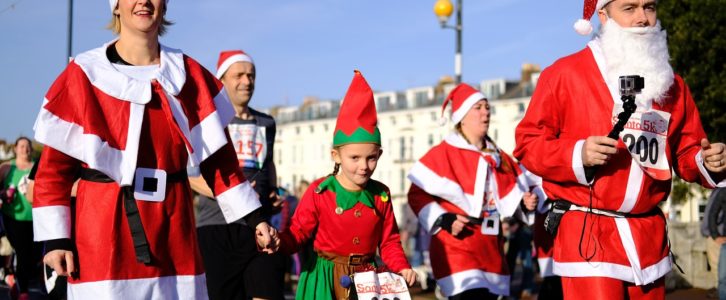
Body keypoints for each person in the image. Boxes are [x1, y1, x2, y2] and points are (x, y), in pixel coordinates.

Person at [32, 1, 277, 299]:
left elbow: (220, 163)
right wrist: (56, 239)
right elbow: (53, 171)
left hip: (174, 233)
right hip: (103, 235)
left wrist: (256, 219)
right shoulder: (84, 74)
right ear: (116, 6)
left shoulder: (188, 74)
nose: (144, 1)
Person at [513, 0, 726, 299]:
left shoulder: (672, 85)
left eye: (649, 7)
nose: (642, 18)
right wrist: (577, 154)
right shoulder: (565, 73)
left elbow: (685, 152)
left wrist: (708, 161)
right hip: (589, 234)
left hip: (648, 238)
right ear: (603, 15)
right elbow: (527, 143)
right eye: (630, 8)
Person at [279, 71, 416, 300]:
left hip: (368, 282)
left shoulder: (381, 194)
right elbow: (298, 233)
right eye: (355, 158)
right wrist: (278, 241)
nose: (364, 166)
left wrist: (402, 266)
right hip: (324, 279)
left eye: (371, 158)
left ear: (379, 154)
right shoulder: (319, 191)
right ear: (336, 155)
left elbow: (389, 240)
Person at [407, 83, 541, 299]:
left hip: (491, 245)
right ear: (462, 116)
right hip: (456, 245)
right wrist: (443, 218)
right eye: (477, 107)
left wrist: (524, 203)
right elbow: (416, 194)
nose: (485, 112)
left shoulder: (501, 157)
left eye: (487, 107)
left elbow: (514, 195)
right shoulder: (444, 153)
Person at [189, 50, 284, 300]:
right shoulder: (207, 122)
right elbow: (190, 175)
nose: (247, 81)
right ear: (222, 81)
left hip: (259, 228)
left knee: (267, 291)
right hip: (217, 227)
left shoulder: (266, 123)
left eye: (251, 75)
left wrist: (273, 192)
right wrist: (234, 195)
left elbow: (268, 163)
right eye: (239, 75)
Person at [0, 137, 39, 300]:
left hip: (35, 219)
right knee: (20, 253)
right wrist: (3, 195)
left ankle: (14, 281)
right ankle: (22, 290)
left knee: (30, 256)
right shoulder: (7, 167)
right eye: (22, 146)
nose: (25, 149)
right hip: (12, 218)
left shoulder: (38, 166)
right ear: (16, 148)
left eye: (28, 146)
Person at [702, 188, 726, 299]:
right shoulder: (720, 189)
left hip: (716, 237)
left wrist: (715, 235)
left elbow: (712, 215)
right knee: (720, 278)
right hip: (715, 237)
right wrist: (715, 235)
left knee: (720, 277)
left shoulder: (720, 189)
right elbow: (712, 214)